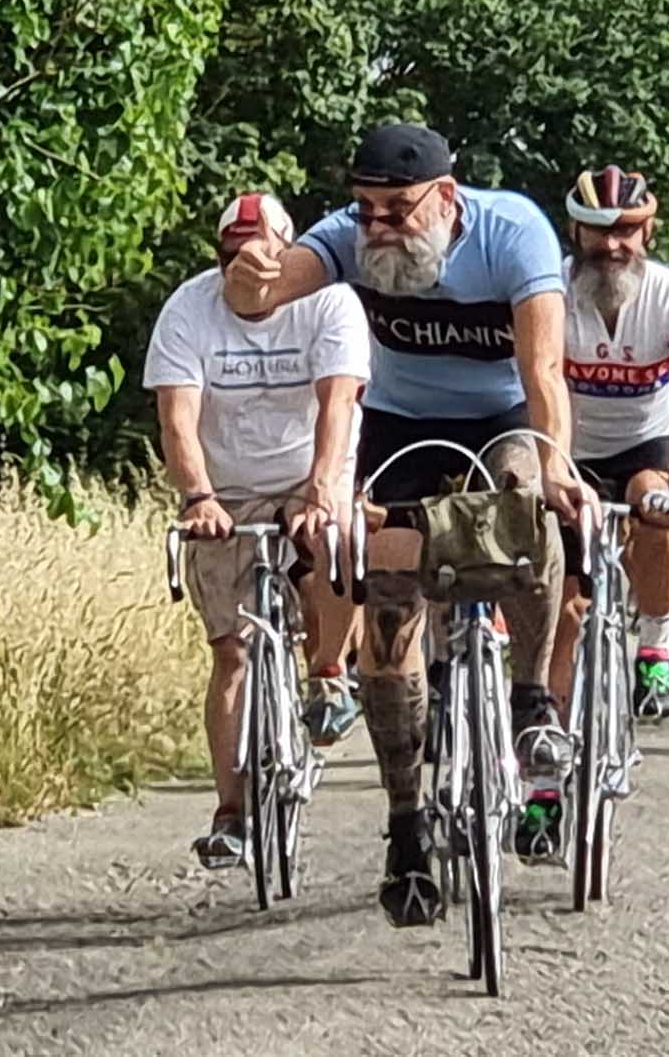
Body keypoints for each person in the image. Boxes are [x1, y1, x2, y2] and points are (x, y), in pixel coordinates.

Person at [223, 122, 580, 928]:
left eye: (396, 210)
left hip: (502, 419)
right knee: (387, 604)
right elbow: (264, 294)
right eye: (366, 211)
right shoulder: (344, 238)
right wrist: (249, 280)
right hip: (396, 429)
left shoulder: (513, 232)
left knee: (527, 502)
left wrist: (557, 463)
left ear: (447, 197)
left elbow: (542, 369)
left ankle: (530, 699)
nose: (377, 227)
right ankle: (406, 825)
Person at [144, 193, 372, 870]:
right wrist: (199, 497)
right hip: (229, 493)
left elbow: (338, 403)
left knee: (339, 543)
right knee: (232, 653)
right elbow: (178, 419)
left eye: (264, 252)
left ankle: (330, 670)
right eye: (232, 256)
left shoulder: (330, 302)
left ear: (287, 251)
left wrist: (321, 489)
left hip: (308, 475)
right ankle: (231, 811)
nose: (248, 267)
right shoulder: (189, 309)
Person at [547, 165, 669, 733]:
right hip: (571, 447)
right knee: (568, 606)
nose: (612, 245)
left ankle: (656, 644)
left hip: (648, 442)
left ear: (650, 231)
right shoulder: (551, 291)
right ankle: (550, 742)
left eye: (626, 230)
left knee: (654, 504)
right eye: (597, 231)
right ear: (575, 233)